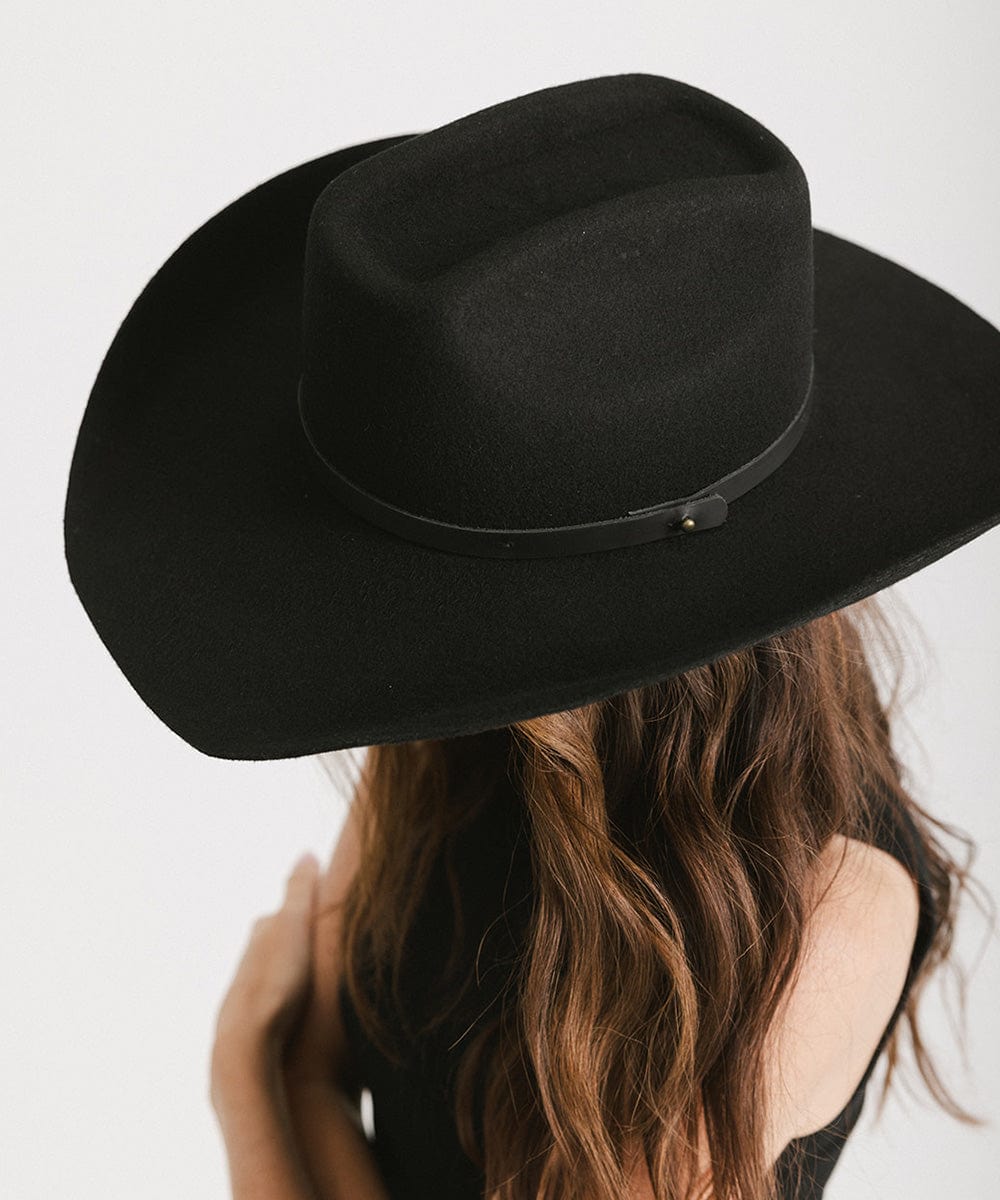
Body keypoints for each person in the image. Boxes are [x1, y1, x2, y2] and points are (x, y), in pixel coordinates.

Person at [64, 72, 1000, 1199]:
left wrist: (260, 1092)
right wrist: (282, 1093)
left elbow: (309, 1080)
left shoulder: (811, 923)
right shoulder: (461, 737)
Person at [209, 594, 984, 1200]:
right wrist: (266, 1081)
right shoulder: (445, 730)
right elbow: (314, 1071)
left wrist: (244, 1076)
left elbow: (300, 1081)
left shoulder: (828, 904)